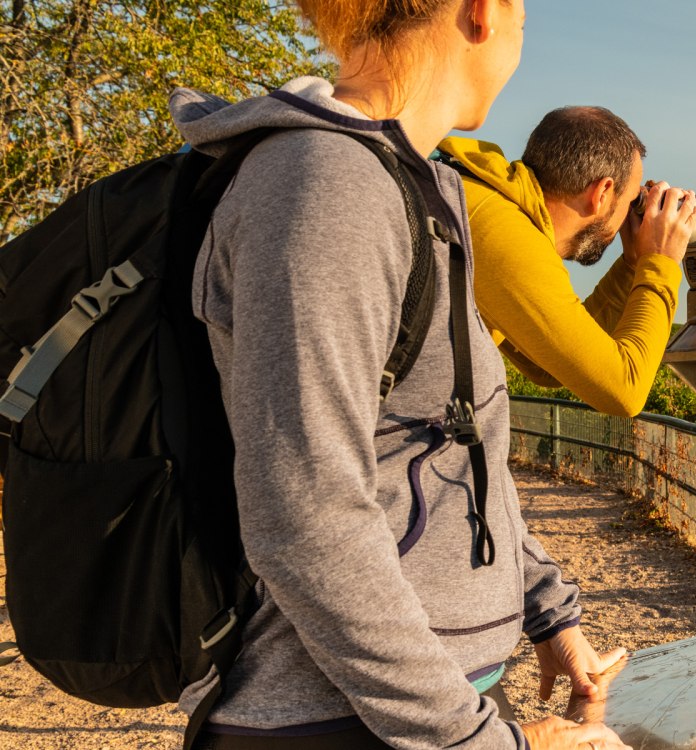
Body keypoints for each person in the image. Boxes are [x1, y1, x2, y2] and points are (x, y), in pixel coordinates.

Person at [167, 0, 628, 746]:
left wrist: (547, 611)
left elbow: (451, 444)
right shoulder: (326, 186)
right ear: (482, 14)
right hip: (333, 718)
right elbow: (303, 518)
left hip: (416, 707)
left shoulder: (419, 185)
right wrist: (484, 743)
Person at [436, 106, 696, 417]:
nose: (630, 214)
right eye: (631, 200)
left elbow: (545, 366)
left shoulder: (484, 201)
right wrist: (660, 261)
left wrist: (631, 265)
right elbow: (625, 389)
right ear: (602, 192)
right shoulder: (503, 235)